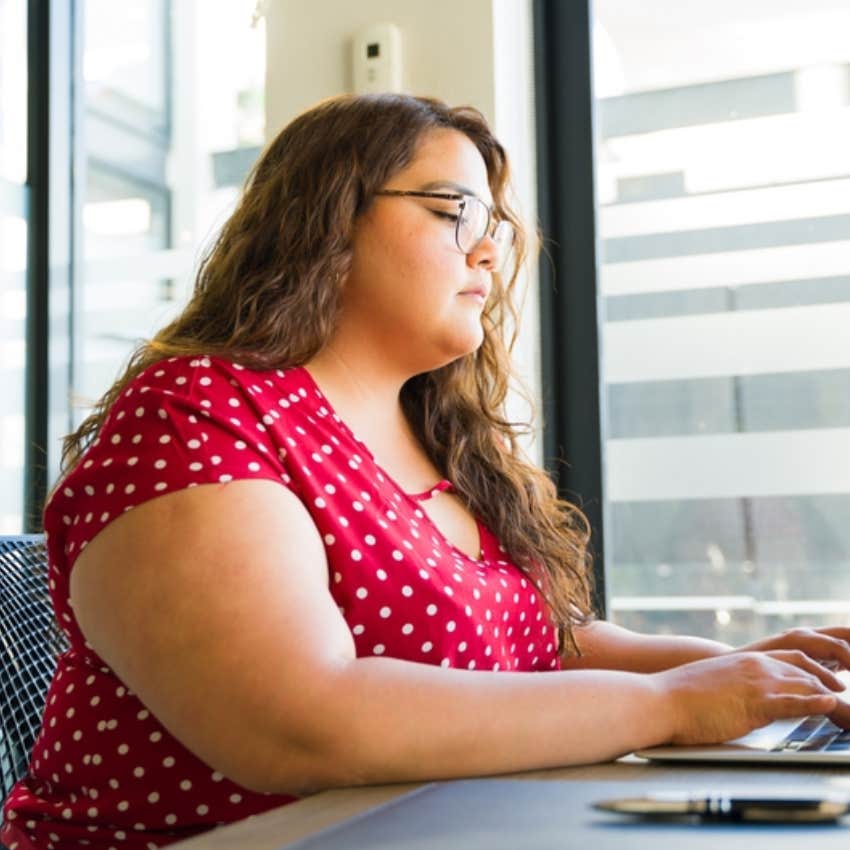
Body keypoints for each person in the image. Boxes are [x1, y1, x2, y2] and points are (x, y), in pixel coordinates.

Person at [2, 92, 848, 850]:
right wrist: (674, 704)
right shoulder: (197, 410)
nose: (487, 253)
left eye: (494, 227)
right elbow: (300, 724)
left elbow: (543, 650)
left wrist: (744, 678)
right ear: (325, 219)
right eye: (454, 211)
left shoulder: (439, 439)